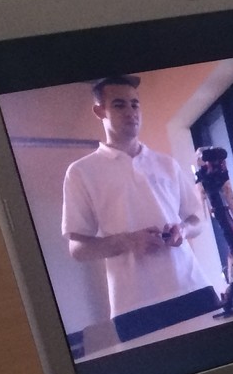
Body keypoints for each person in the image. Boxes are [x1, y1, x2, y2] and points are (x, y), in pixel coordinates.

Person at [62, 75, 221, 342]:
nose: (131, 112)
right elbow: (77, 248)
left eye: (135, 104)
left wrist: (182, 229)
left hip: (193, 287)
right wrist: (128, 241)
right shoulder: (81, 172)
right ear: (100, 111)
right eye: (119, 105)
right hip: (135, 305)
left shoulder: (166, 164)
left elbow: (197, 220)